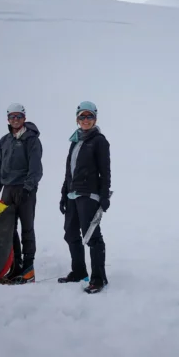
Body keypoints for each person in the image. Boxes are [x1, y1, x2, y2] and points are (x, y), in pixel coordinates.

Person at [59, 101, 111, 294]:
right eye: (82, 116)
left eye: (89, 116)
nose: (86, 120)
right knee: (70, 233)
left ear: (95, 118)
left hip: (89, 194)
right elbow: (69, 171)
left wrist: (104, 196)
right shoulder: (75, 141)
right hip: (72, 194)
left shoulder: (99, 141)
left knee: (92, 237)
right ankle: (79, 271)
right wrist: (64, 195)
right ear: (77, 119)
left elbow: (105, 171)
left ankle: (99, 278)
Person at [0, 103, 43, 283]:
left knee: (27, 228)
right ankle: (15, 266)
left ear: (24, 118)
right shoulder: (4, 141)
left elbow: (36, 168)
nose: (16, 120)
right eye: (12, 117)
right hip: (7, 190)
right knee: (9, 229)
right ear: (8, 119)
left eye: (19, 116)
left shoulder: (32, 140)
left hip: (25, 190)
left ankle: (28, 270)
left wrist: (28, 188)